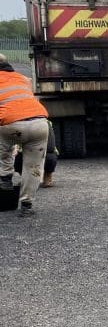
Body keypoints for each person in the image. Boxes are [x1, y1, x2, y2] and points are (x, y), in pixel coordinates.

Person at [0, 54, 50, 215]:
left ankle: (5, 177)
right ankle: (27, 205)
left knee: (3, 148)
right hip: (39, 123)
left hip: (10, 123)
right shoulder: (23, 78)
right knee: (33, 166)